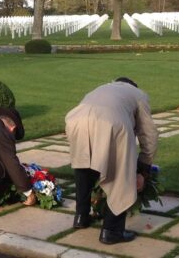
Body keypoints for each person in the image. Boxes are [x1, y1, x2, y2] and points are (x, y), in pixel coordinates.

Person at [65, 78, 159, 245]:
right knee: (120, 176)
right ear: (132, 86)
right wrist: (143, 168)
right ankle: (111, 231)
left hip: (75, 120)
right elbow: (149, 134)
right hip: (111, 123)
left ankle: (81, 217)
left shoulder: (101, 88)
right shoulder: (138, 94)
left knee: (83, 166)